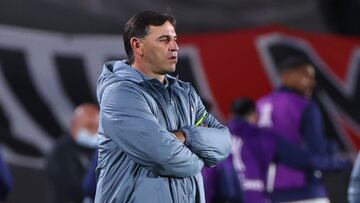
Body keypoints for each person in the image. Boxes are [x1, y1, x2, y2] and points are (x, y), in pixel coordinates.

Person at [95, 10, 231, 203]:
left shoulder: (185, 93)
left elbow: (224, 142)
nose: (175, 47)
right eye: (164, 40)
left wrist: (186, 136)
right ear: (137, 45)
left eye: (175, 39)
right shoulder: (120, 94)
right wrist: (200, 158)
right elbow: (164, 157)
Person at [257, 57, 351, 202]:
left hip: (267, 192)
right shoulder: (304, 105)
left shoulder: (260, 105)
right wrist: (338, 159)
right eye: (305, 76)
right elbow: (316, 153)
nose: (312, 82)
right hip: (305, 190)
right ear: (286, 76)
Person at [46, 103, 99, 203]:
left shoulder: (100, 150)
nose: (93, 131)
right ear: (74, 125)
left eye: (97, 127)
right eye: (89, 126)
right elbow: (66, 185)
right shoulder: (60, 150)